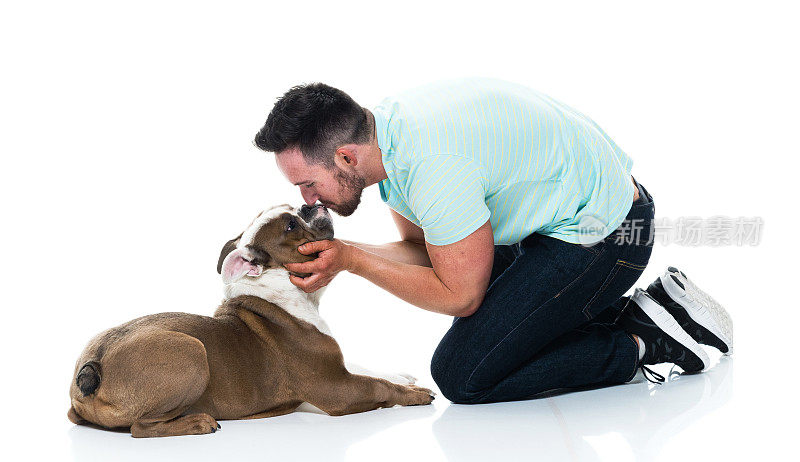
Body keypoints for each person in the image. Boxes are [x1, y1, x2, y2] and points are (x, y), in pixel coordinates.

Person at [252, 78, 733, 404]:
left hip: (610, 238)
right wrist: (340, 258)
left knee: (464, 375)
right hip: (552, 226)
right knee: (496, 332)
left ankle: (647, 341)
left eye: (308, 182)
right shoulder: (390, 138)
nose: (306, 199)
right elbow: (427, 252)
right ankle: (629, 310)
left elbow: (461, 295)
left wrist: (353, 260)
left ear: (345, 156)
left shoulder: (433, 169)